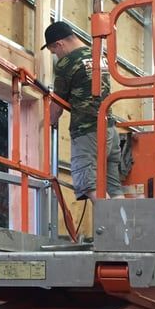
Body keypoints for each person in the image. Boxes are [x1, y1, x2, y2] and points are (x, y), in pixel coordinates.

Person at [42, 20, 124, 200]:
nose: (56, 56)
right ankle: (124, 220)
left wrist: (44, 124)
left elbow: (57, 107)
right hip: (109, 129)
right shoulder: (97, 55)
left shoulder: (67, 62)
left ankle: (109, 220)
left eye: (54, 51)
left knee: (87, 184)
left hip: (87, 132)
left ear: (59, 44)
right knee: (113, 188)